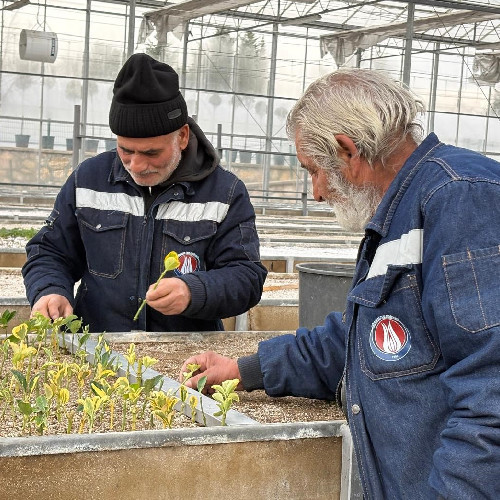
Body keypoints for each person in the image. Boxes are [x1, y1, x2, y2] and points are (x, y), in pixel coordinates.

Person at [180, 69, 500, 499]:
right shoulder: (400, 211)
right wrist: (242, 371)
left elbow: (490, 391)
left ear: (347, 151)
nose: (316, 192)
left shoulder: (460, 198)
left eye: (313, 171)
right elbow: (356, 341)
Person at [22, 53, 267, 333]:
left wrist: (194, 291)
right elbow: (50, 251)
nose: (136, 165)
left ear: (183, 136)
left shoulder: (224, 193)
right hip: (97, 348)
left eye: (151, 152)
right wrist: (50, 290)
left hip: (184, 357)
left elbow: (247, 277)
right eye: (126, 150)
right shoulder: (87, 179)